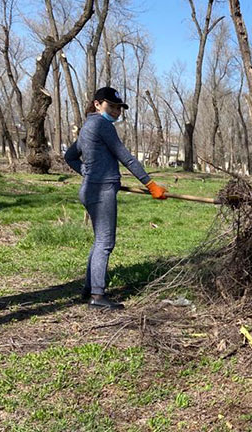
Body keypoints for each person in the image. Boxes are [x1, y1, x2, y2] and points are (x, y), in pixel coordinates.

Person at [65, 86, 168, 310]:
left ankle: (88, 288)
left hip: (91, 188)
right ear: (97, 104)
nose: (116, 112)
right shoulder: (101, 125)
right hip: (101, 191)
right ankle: (98, 297)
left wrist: (88, 173)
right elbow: (126, 158)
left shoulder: (87, 127)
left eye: (119, 108)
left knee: (99, 239)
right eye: (111, 106)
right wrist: (150, 185)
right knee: (105, 242)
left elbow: (70, 156)